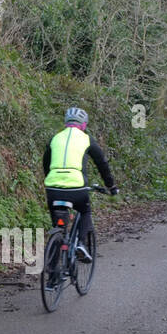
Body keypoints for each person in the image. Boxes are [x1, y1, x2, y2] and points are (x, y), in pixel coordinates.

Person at [42, 106, 117, 264]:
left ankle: (52, 279)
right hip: (77, 188)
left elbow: (46, 163)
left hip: (53, 189)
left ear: (66, 123)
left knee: (58, 227)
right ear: (84, 125)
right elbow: (102, 163)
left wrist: (51, 178)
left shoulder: (55, 138)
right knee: (85, 211)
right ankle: (81, 244)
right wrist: (111, 186)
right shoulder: (86, 139)